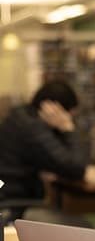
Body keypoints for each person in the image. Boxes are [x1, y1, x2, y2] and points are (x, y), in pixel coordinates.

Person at [0, 79, 88, 221]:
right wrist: (68, 129)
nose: (69, 119)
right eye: (69, 115)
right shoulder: (32, 128)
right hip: (15, 204)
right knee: (83, 225)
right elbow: (77, 168)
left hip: (10, 197)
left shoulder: (20, 117)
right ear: (54, 108)